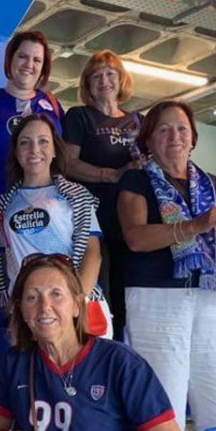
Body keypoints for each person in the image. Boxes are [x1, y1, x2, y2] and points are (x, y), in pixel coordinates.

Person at [0, 254, 190, 431]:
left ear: (77, 305)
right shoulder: (13, 365)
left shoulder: (118, 362)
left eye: (56, 294)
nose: (44, 306)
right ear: (21, 310)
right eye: (32, 297)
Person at [117, 100, 216, 431]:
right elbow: (136, 238)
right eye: (164, 128)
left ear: (193, 138)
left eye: (182, 128)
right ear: (149, 140)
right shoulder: (136, 181)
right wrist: (196, 225)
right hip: (159, 300)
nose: (175, 135)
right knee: (165, 404)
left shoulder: (213, 184)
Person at [0, 114, 107, 341]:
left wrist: (75, 306)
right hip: (30, 316)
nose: (34, 149)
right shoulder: (1, 206)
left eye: (43, 141)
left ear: (55, 150)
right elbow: (2, 272)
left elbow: (92, 256)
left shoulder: (77, 196)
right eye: (25, 142)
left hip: (77, 311)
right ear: (16, 152)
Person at [62, 49, 145, 341]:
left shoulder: (138, 121)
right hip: (94, 216)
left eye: (110, 74)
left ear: (121, 79)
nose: (104, 80)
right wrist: (112, 174)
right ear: (87, 84)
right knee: (101, 288)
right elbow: (67, 163)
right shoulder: (80, 117)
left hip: (131, 219)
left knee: (130, 289)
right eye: (96, 76)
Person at [0, 30, 63, 198]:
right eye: (22, 56)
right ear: (10, 59)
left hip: (46, 207)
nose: (29, 64)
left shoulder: (53, 106)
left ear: (43, 68)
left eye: (36, 60)